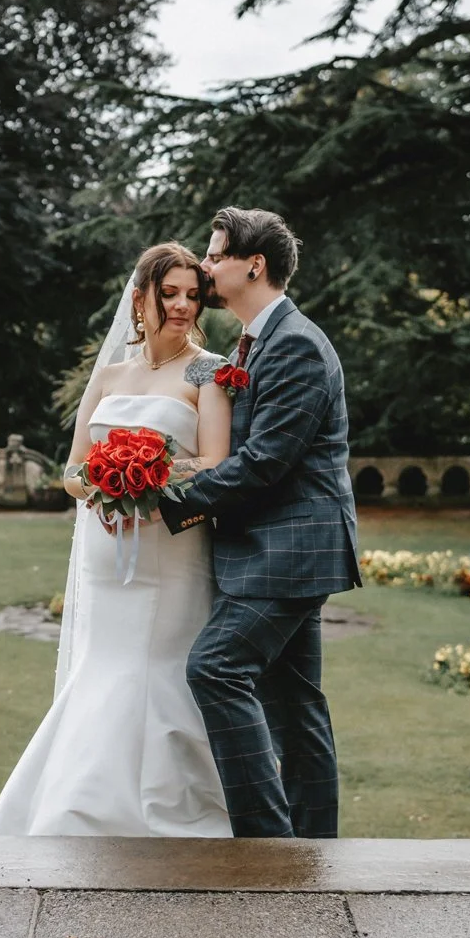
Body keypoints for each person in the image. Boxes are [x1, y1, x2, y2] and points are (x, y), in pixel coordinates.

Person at [0, 241, 234, 836]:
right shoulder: (112, 374)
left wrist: (151, 476)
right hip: (105, 544)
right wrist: (103, 484)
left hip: (170, 546)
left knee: (161, 664)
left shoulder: (209, 369)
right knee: (104, 665)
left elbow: (219, 463)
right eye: (168, 293)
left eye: (192, 296)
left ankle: (173, 805)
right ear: (139, 298)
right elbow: (70, 470)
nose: (181, 305)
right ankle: (80, 803)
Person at [157, 206, 361, 838]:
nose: (207, 265)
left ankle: (265, 842)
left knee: (214, 669)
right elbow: (221, 436)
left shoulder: (296, 343)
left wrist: (169, 501)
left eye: (215, 255)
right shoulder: (249, 344)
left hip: (289, 550)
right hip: (277, 549)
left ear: (255, 264)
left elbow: (266, 461)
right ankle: (313, 850)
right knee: (296, 708)